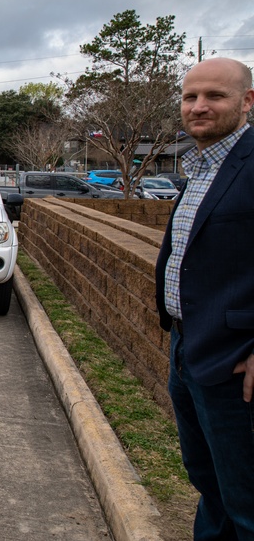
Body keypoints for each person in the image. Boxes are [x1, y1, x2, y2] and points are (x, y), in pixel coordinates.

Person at [155, 57, 254, 539]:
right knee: (209, 484)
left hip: (235, 362)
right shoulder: (202, 166)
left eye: (215, 96)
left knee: (246, 500)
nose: (199, 107)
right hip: (187, 347)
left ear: (247, 102)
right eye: (191, 97)